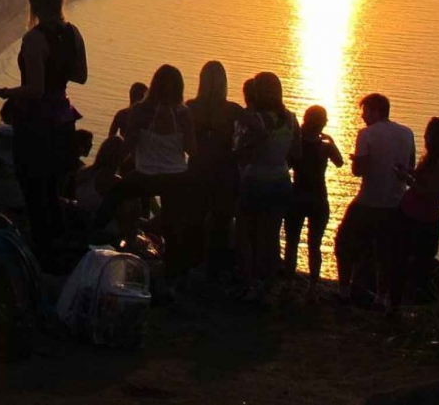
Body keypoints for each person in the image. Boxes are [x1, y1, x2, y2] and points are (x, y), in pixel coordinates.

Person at [0, 0, 88, 267]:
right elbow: (81, 75)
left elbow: (35, 90)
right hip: (64, 121)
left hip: (36, 126)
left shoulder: (34, 39)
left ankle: (42, 260)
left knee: (34, 193)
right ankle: (58, 258)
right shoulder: (73, 32)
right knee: (53, 193)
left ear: (34, 1)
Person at [94, 64, 197, 298]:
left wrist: (112, 168)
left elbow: (128, 146)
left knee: (113, 198)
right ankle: (172, 279)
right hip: (175, 177)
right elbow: (192, 149)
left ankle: (95, 240)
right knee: (174, 226)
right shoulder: (184, 114)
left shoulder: (140, 110)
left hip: (146, 175)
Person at [335, 93, 417, 310]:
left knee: (344, 244)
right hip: (395, 203)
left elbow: (358, 171)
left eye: (365, 111)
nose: (362, 116)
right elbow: (410, 168)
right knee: (385, 252)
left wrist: (358, 160)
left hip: (369, 201)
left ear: (375, 111)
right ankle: (381, 297)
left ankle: (344, 292)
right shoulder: (407, 133)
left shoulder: (366, 134)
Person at [234, 72, 300, 302]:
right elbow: (296, 154)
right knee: (271, 237)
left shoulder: (252, 118)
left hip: (255, 180)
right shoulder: (291, 118)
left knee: (244, 233)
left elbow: (242, 154)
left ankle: (250, 283)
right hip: (281, 181)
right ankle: (269, 285)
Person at [187, 60, 245, 283]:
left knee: (197, 216)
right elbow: (243, 142)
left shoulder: (190, 107)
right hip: (225, 171)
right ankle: (217, 266)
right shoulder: (234, 111)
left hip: (198, 168)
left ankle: (195, 261)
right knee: (222, 220)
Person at [392, 116, 439, 312]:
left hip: (422, 221)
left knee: (418, 263)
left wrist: (408, 180)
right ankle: (398, 302)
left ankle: (414, 304)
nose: (425, 136)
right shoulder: (430, 160)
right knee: (401, 259)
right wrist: (408, 172)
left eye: (429, 133)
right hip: (410, 215)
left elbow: (431, 191)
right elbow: (422, 181)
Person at [284, 105, 343, 292]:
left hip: (298, 196)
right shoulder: (324, 148)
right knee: (314, 244)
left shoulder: (297, 145)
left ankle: (288, 282)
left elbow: (287, 165)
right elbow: (340, 162)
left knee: (292, 243)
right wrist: (331, 142)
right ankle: (313, 285)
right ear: (322, 124)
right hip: (319, 198)